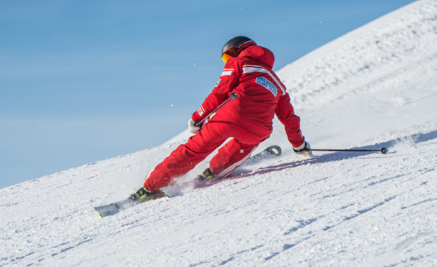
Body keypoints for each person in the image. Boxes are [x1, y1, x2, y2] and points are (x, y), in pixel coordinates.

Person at [129, 36, 312, 203]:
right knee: (245, 143)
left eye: (229, 56)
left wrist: (197, 117)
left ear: (239, 50)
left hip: (228, 118)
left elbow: (219, 93)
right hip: (258, 130)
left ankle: (150, 187)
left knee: (193, 150)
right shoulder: (277, 83)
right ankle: (214, 172)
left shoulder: (239, 63)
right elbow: (289, 119)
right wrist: (299, 145)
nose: (228, 60)